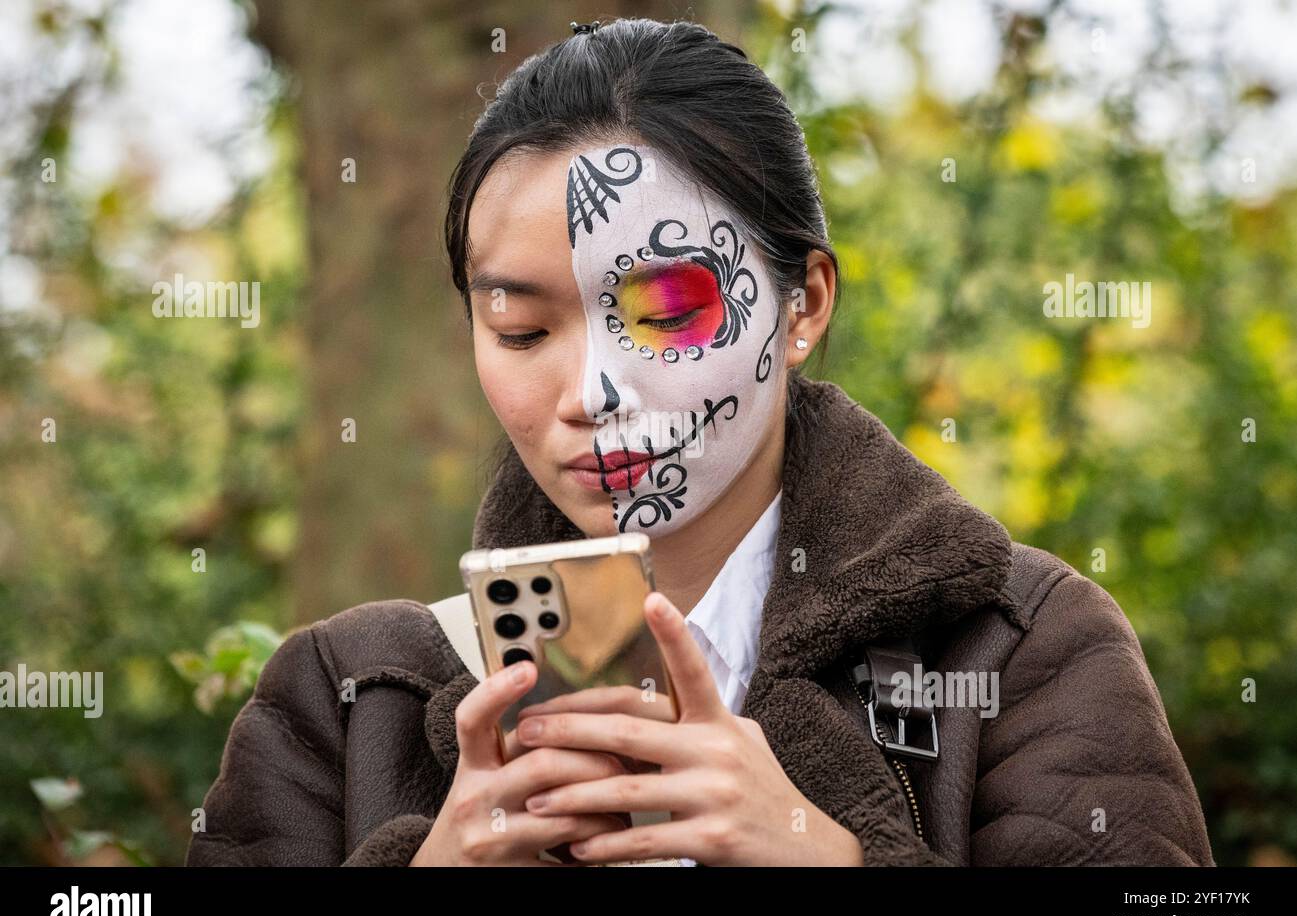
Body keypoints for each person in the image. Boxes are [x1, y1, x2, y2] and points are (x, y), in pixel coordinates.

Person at [186, 17, 1214, 867]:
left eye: (666, 311)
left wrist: (824, 853)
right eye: (523, 329)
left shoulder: (1023, 648)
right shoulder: (345, 694)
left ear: (801, 303)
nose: (589, 392)